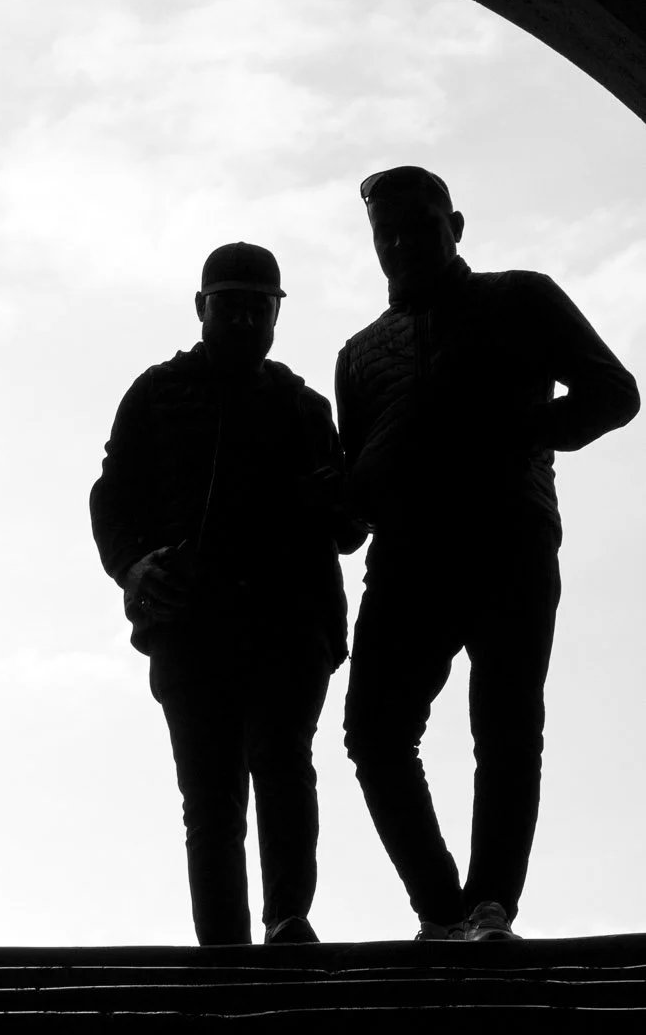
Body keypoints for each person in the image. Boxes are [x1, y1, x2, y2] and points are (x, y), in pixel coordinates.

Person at [338, 166, 639, 942]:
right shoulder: (360, 354)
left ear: (457, 226)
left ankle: (490, 906)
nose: (402, 242)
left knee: (504, 726)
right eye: (388, 233)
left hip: (509, 533)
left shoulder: (521, 297)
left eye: (420, 225)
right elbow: (354, 485)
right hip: (405, 555)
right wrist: (338, 500)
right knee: (374, 731)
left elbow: (614, 391)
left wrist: (518, 433)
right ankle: (444, 910)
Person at [90, 242, 362, 946]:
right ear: (201, 308)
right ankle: (227, 946)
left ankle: (284, 920)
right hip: (193, 623)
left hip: (287, 622)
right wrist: (133, 567)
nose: (242, 319)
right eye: (229, 304)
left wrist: (337, 503)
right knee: (215, 796)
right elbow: (113, 497)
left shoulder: (305, 408)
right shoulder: (155, 395)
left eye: (256, 306)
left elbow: (347, 529)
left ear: (274, 315)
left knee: (278, 768)